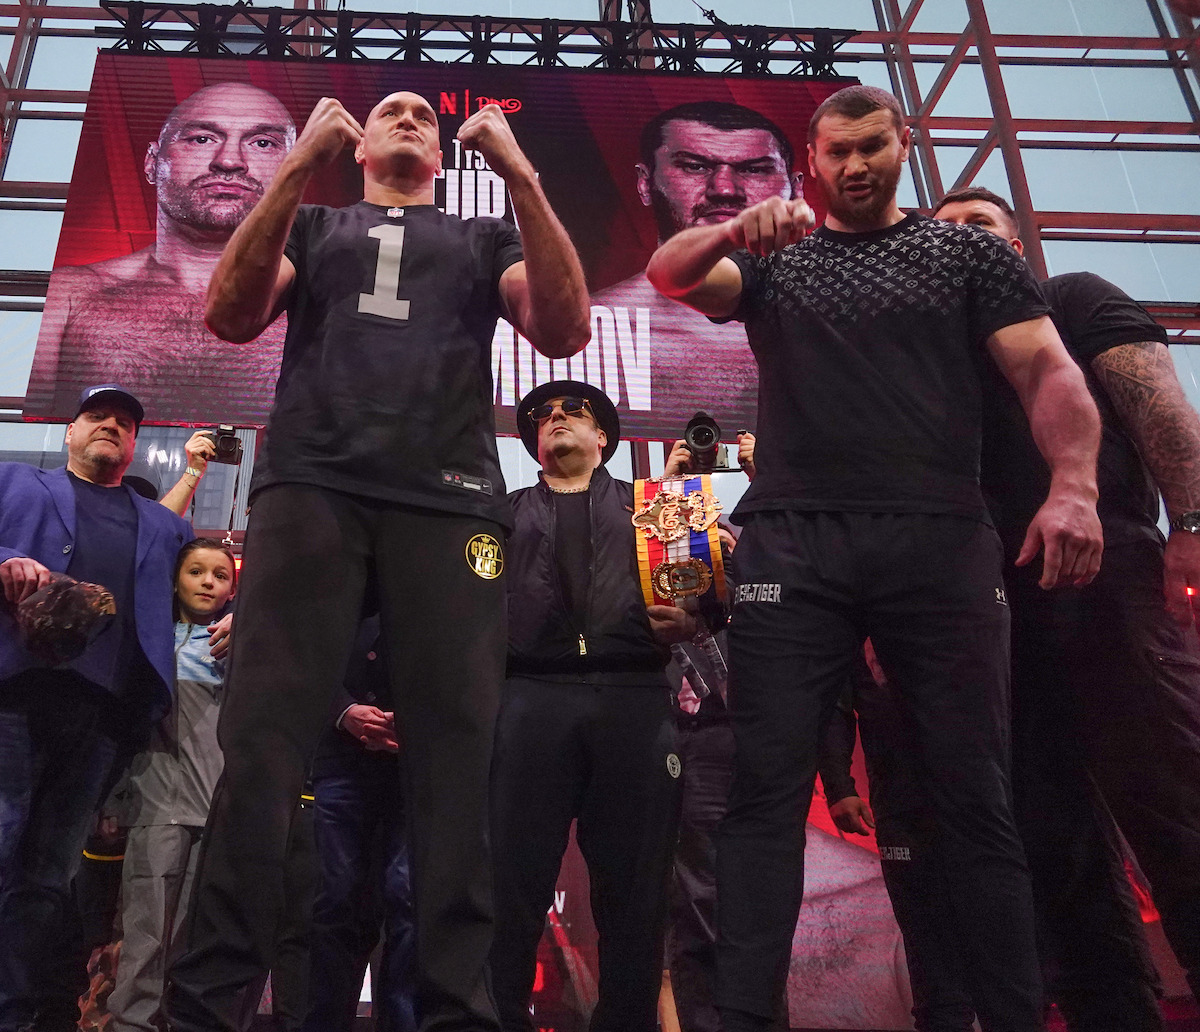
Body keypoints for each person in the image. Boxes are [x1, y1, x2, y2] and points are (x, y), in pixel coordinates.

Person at [646, 84, 1105, 1032]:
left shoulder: (967, 254)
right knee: (766, 792)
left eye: (871, 147)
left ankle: (1012, 1016)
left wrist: (1074, 487)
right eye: (837, 152)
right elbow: (669, 273)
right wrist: (733, 230)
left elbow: (1045, 368)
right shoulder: (777, 263)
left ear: (905, 144)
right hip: (794, 542)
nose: (855, 165)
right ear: (810, 164)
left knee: (973, 790)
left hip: (937, 535)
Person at [165, 89, 590, 1032]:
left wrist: (520, 175)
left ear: (441, 156)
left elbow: (563, 329)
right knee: (262, 749)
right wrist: (294, 164)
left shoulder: (484, 238)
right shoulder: (315, 224)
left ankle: (457, 1015)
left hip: (449, 499)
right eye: (389, 109)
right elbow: (230, 315)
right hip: (311, 486)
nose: (407, 115)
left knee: (456, 760)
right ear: (355, 146)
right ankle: (204, 1011)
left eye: (423, 116)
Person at [935, 186, 1200, 1013]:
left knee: (1173, 797)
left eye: (981, 225)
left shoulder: (1074, 298)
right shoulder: (937, 360)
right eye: (947, 233)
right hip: (996, 610)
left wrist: (1193, 524)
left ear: (1016, 246)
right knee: (1055, 842)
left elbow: (1162, 406)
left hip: (1108, 577)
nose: (965, 239)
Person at [490, 380, 694, 1032]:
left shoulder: (657, 506)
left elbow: (707, 598)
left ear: (602, 437)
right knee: (511, 885)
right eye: (543, 416)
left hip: (634, 697)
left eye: (571, 411)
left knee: (637, 893)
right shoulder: (503, 514)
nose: (555, 418)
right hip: (529, 699)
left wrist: (696, 616)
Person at [0, 383, 195, 1032]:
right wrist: (8, 559)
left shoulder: (164, 526)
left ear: (134, 445)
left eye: (125, 423)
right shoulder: (14, 482)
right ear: (70, 432)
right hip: (13, 696)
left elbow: (212, 577)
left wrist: (235, 616)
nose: (111, 425)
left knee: (46, 877)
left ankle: (15, 1014)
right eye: (97, 416)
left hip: (103, 717)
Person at [28, 83, 297, 424]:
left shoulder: (319, 301)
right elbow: (24, 434)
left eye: (262, 143)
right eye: (202, 139)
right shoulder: (69, 295)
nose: (229, 161)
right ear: (152, 162)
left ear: (293, 171)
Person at [590, 102, 802, 436]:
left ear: (796, 187)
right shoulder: (594, 328)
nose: (725, 190)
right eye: (694, 167)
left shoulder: (834, 309)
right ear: (645, 183)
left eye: (755, 169)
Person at [107, 539, 237, 1032]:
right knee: (145, 938)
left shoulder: (237, 646)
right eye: (196, 571)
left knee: (192, 942)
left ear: (233, 590)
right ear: (175, 580)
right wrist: (114, 799)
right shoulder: (150, 642)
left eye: (220, 575)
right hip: (156, 807)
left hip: (217, 812)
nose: (207, 582)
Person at [303, 615, 416, 1032]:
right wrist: (343, 710)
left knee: (408, 902)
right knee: (336, 900)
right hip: (340, 756)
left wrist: (415, 722)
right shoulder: (332, 583)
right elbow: (305, 647)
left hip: (418, 768)